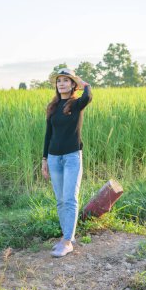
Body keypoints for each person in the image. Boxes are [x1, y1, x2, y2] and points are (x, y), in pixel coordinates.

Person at [42, 68, 93, 257]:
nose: (61, 83)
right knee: (60, 200)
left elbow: (88, 95)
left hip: (72, 156)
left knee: (70, 198)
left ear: (73, 84)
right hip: (54, 158)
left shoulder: (77, 104)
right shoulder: (53, 107)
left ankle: (67, 242)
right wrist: (44, 159)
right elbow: (48, 134)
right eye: (59, 81)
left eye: (66, 80)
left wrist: (81, 81)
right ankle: (68, 236)